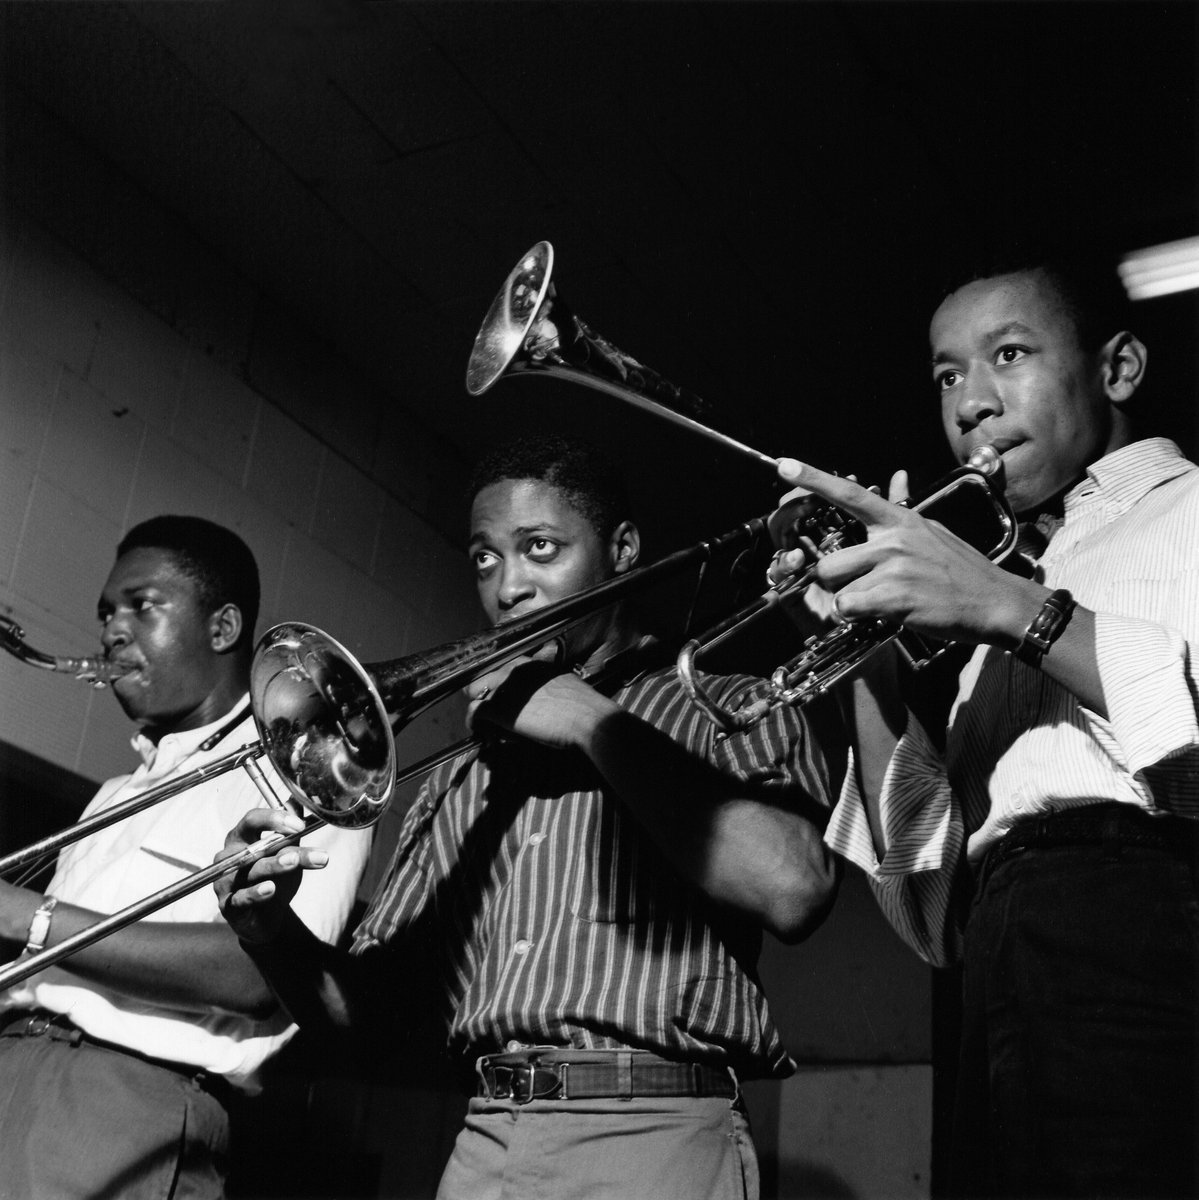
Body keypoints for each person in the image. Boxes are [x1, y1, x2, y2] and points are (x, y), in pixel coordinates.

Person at [215, 435, 839, 1200]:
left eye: (539, 548)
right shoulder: (460, 774)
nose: (509, 586)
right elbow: (368, 1022)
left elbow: (793, 888)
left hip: (655, 1129)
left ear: (621, 550)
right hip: (485, 1139)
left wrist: (587, 720)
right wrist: (270, 935)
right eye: (485, 558)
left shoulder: (726, 705)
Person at [767, 252, 1199, 1199]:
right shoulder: (1002, 584)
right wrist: (865, 652)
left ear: (1116, 370)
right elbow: (928, 903)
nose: (970, 401)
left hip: (1154, 941)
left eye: (1008, 354)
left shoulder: (1187, 512)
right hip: (1000, 964)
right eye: (947, 373)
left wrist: (1011, 610)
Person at [0, 515, 371, 1199]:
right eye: (107, 612)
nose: (113, 629)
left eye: (142, 606)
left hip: (122, 1103)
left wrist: (32, 918)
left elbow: (256, 980)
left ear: (223, 628)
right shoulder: (119, 788)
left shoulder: (310, 776)